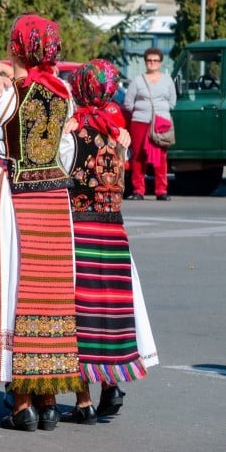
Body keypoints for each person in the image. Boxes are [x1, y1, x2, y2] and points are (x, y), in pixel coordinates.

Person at [0, 14, 83, 433]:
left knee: (13, 288)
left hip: (12, 190)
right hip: (54, 197)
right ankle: (50, 399)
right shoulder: (63, 94)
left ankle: (22, 402)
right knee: (51, 295)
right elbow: (67, 150)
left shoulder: (6, 94)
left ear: (15, 49)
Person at [63, 59, 149, 424]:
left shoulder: (70, 134)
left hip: (80, 229)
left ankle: (82, 400)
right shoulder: (120, 135)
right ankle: (111, 385)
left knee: (80, 314)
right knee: (111, 314)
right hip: (114, 232)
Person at [123, 46, 176, 201]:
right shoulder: (137, 80)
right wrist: (142, 111)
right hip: (140, 122)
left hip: (161, 124)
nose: (152, 63)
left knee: (161, 158)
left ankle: (161, 191)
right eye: (149, 60)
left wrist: (160, 113)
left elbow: (172, 101)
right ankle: (138, 190)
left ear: (160, 62)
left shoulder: (167, 81)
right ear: (145, 62)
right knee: (139, 157)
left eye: (155, 60)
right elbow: (128, 103)